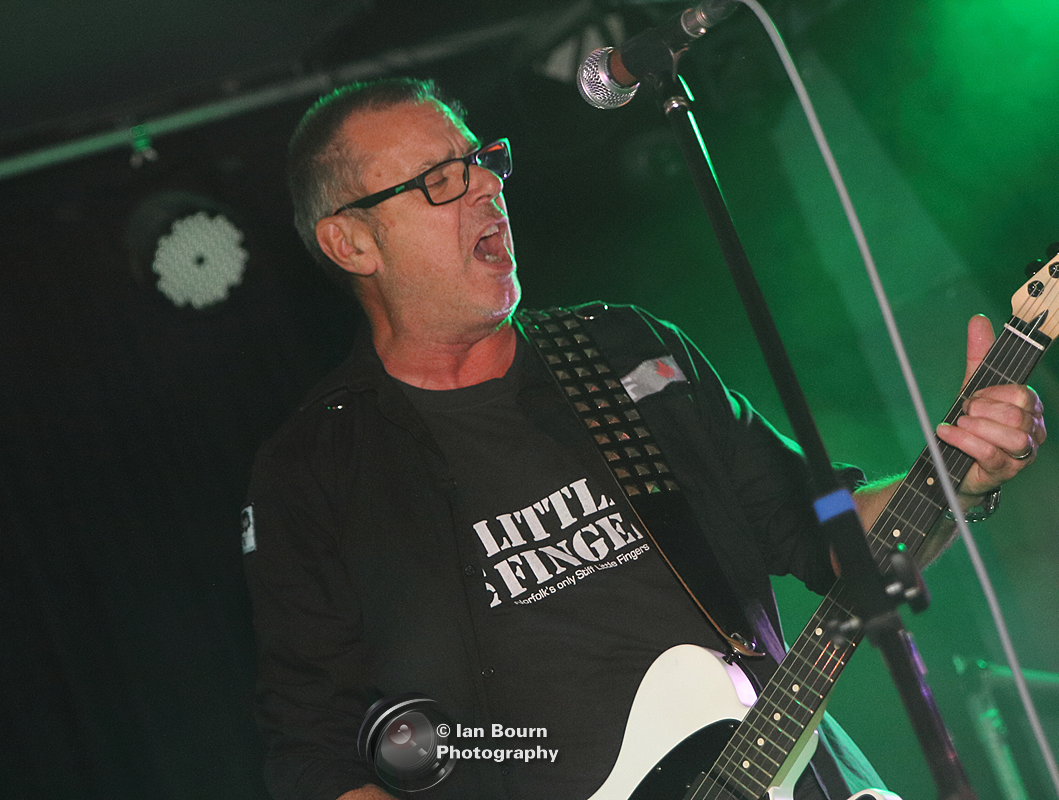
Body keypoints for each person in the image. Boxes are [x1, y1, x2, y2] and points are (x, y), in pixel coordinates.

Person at [242, 77, 1046, 800]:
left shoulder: (626, 350)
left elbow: (825, 525)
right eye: (440, 179)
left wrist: (955, 476)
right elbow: (316, 749)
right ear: (352, 242)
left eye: (483, 160)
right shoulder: (315, 473)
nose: (486, 184)